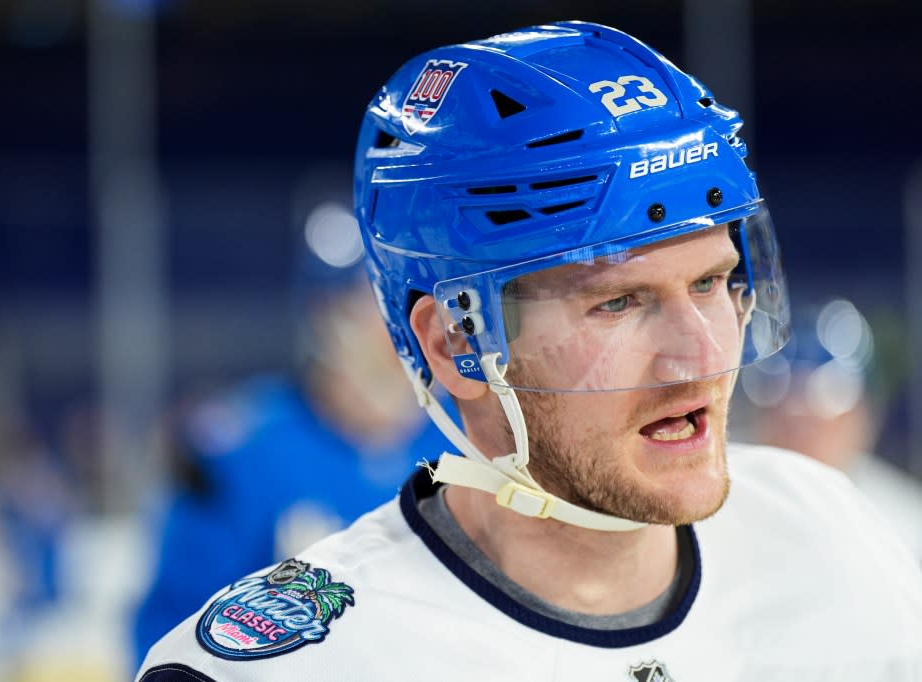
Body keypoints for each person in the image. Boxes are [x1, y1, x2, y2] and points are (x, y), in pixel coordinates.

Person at [136, 21, 922, 681]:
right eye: (618, 302)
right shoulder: (292, 668)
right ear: (456, 345)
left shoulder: (828, 528)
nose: (700, 358)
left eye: (714, 283)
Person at [130, 198, 451, 665]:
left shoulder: (470, 444)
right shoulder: (240, 452)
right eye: (382, 302)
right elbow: (173, 633)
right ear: (328, 320)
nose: (415, 323)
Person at [741, 299, 922, 559]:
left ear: (865, 413)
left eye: (827, 394)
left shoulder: (904, 531)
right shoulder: (725, 511)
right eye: (783, 393)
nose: (799, 416)